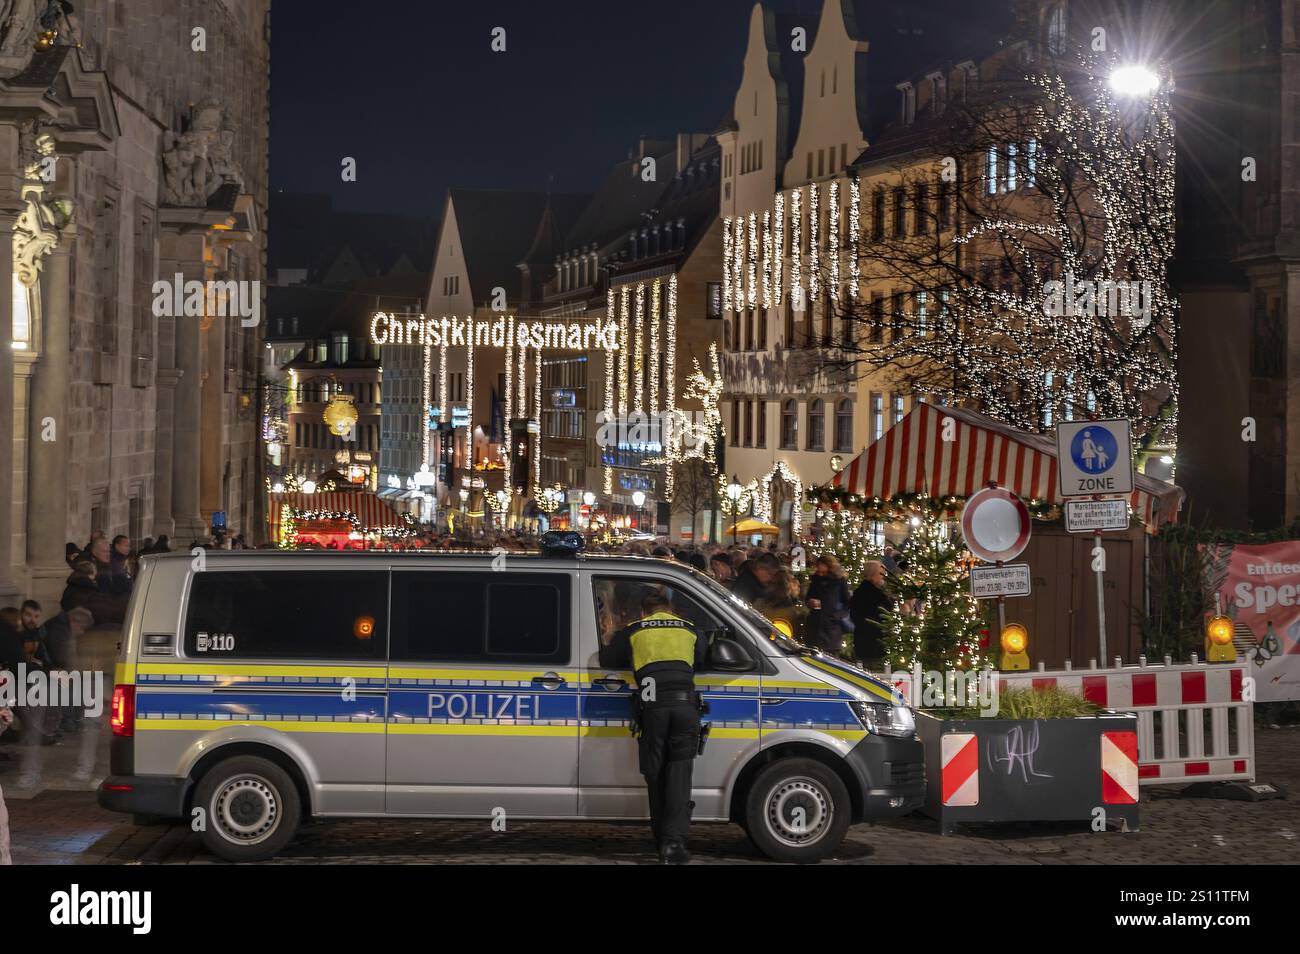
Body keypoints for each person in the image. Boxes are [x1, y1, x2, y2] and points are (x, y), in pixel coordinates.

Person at [598, 591, 709, 864]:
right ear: (670, 610)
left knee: (655, 774)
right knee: (679, 776)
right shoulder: (690, 629)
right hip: (685, 709)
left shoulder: (634, 630)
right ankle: (674, 843)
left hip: (652, 711)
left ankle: (661, 841)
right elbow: (703, 660)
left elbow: (608, 659)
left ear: (643, 612)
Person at [850, 560, 893, 670]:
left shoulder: (864, 591)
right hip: (872, 644)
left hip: (866, 643)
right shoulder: (870, 594)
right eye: (881, 574)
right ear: (872, 575)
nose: (883, 577)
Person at [805, 555, 852, 656]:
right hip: (815, 626)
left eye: (820, 565)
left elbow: (847, 603)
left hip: (831, 628)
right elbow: (808, 597)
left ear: (828, 566)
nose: (818, 568)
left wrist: (836, 616)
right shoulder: (815, 580)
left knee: (830, 656)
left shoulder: (839, 581)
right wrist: (810, 602)